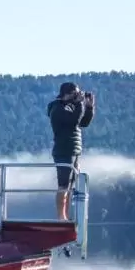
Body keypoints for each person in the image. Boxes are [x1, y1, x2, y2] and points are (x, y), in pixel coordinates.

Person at [48, 82, 96, 221]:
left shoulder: (72, 107)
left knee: (70, 185)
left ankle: (65, 215)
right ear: (66, 94)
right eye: (74, 93)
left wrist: (89, 107)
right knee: (63, 185)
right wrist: (80, 104)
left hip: (74, 151)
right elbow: (74, 120)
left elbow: (83, 123)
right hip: (63, 150)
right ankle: (60, 216)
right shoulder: (57, 108)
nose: (77, 96)